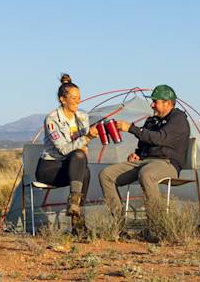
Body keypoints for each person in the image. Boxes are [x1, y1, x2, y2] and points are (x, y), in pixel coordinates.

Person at [98, 84, 190, 220]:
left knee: (147, 174)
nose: (152, 105)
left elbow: (160, 138)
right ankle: (119, 222)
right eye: (152, 101)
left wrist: (131, 128)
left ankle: (156, 225)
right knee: (106, 175)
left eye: (155, 102)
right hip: (144, 162)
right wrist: (138, 154)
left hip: (167, 163)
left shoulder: (178, 119)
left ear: (168, 103)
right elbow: (144, 143)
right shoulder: (151, 120)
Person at [36, 73, 99, 233]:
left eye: (79, 97)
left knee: (84, 169)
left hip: (71, 165)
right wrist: (87, 138)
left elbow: (83, 146)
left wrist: (86, 140)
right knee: (79, 159)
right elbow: (63, 149)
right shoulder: (52, 119)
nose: (78, 101)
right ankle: (77, 219)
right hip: (50, 168)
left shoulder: (83, 116)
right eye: (73, 97)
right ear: (62, 100)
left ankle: (75, 215)